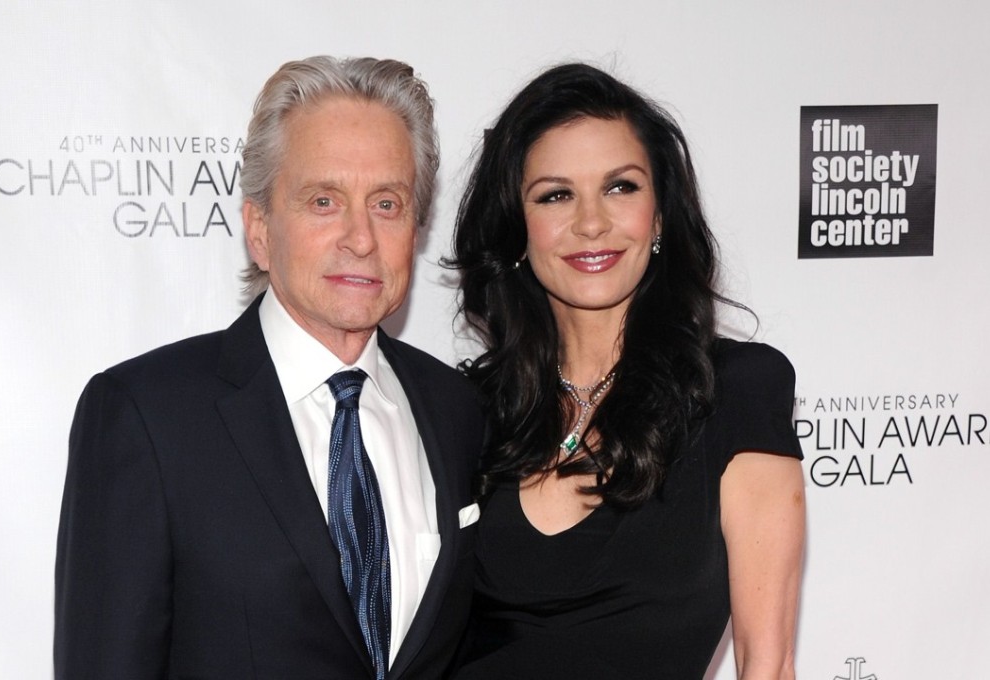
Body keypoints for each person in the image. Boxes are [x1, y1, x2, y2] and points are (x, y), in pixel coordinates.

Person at [54, 56, 485, 680]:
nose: (360, 237)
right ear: (259, 229)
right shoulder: (146, 417)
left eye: (387, 203)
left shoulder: (456, 409)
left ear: (416, 227)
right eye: (323, 200)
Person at [448, 63, 805, 679]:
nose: (592, 222)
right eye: (556, 194)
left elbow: (766, 665)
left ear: (661, 216)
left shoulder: (736, 392)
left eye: (621, 187)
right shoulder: (467, 411)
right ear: (517, 229)